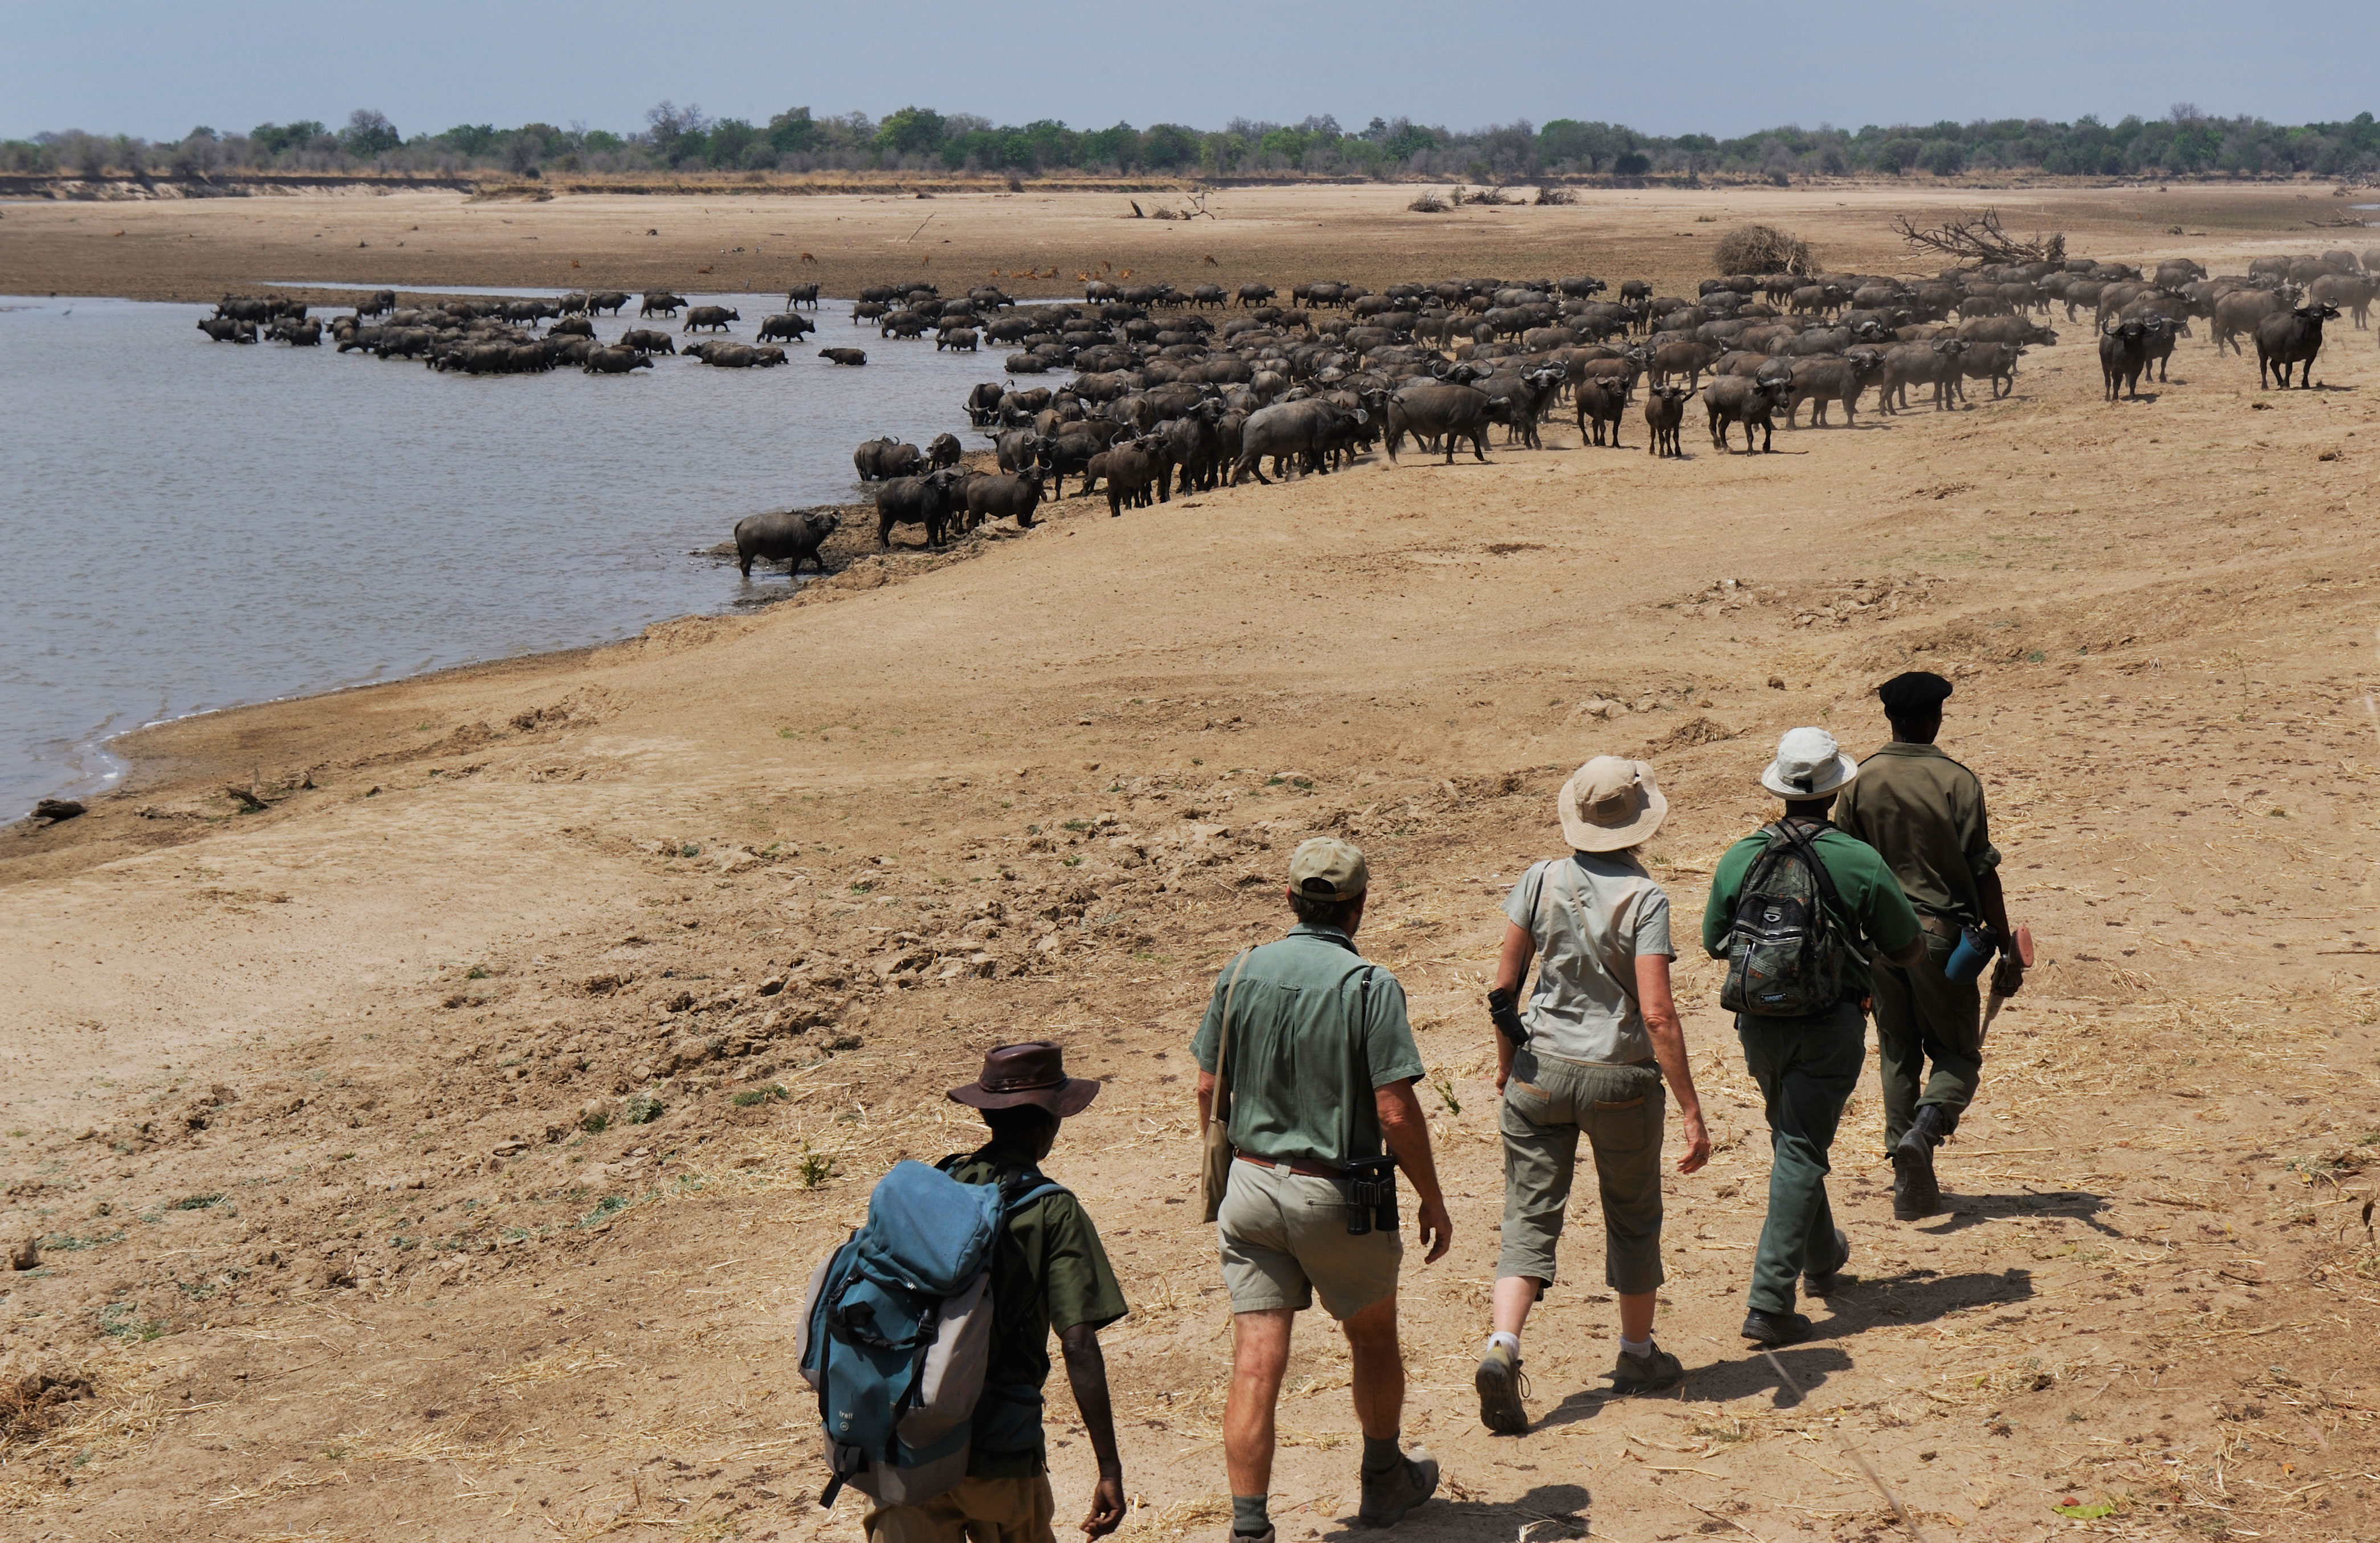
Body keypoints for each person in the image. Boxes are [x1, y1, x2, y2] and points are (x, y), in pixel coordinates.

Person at [1192, 837, 1450, 1543]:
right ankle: (1382, 1481)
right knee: (1371, 1338)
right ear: (1359, 906)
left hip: (1248, 1185)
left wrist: (1227, 1163)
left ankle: (1250, 1527)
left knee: (1254, 1362)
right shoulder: (1369, 985)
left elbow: (1210, 1085)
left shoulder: (1241, 971)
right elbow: (1395, 1109)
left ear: (1288, 900)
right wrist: (1432, 1194)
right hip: (1337, 1193)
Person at [1474, 757, 1712, 1434]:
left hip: (1539, 1068)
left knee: (1528, 1215)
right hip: (1620, 1076)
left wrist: (1505, 1063)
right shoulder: (1647, 898)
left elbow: (1503, 988)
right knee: (1632, 1215)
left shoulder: (1540, 878)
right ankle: (1637, 1355)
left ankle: (1504, 1346)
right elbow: (1659, 1013)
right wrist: (1692, 1107)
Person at [1702, 728, 1925, 1346]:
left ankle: (1823, 1258)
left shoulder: (1741, 854)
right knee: (1801, 1146)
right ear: (1835, 790)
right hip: (1830, 1024)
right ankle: (1770, 1302)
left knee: (1792, 1137)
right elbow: (1907, 947)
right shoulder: (1858, 860)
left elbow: (1714, 937)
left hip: (1759, 1025)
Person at [866, 1042, 1128, 1543]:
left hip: (910, 1442)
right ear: (1050, 1122)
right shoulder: (1054, 1211)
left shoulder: (936, 1185)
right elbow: (1078, 1343)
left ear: (986, 1113)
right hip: (1002, 1450)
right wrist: (1109, 1468)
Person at [1834, 671, 2024, 1220]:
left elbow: (1845, 868)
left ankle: (1905, 1174)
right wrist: (2006, 948)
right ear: (1936, 719)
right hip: (1945, 941)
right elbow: (1984, 872)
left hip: (1879, 942)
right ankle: (1927, 1126)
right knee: (1958, 1054)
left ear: (1889, 719)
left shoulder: (1859, 781)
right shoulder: (1958, 783)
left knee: (1897, 1052)